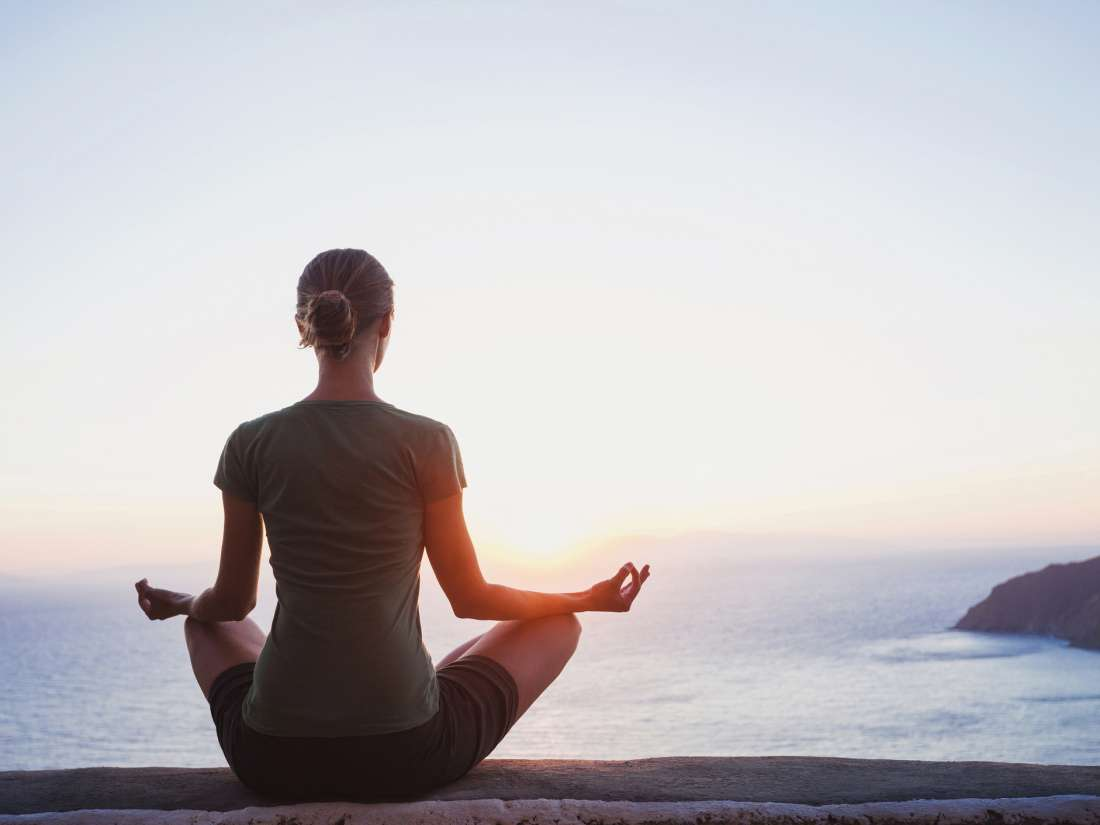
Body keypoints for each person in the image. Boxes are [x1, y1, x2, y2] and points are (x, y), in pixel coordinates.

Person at [134, 248, 650, 801]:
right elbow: (471, 598)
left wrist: (182, 603)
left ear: (301, 326)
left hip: (273, 757)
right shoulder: (426, 440)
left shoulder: (251, 441)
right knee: (560, 623)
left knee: (205, 622)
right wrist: (585, 597)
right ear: (388, 324)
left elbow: (232, 604)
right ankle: (418, 686)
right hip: (405, 753)